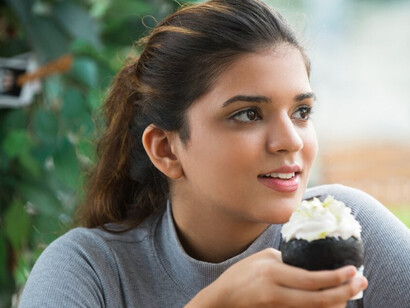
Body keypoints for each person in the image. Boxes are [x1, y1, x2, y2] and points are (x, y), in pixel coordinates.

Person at [19, 0, 410, 307]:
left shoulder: (350, 230)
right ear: (166, 148)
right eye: (247, 114)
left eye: (301, 112)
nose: (290, 140)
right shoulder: (89, 272)